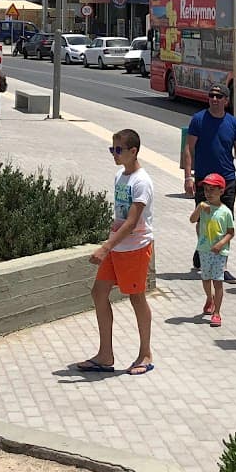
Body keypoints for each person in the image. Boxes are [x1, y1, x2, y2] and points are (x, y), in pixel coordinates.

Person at [77, 128, 155, 376]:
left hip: (135, 247)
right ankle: (105, 354)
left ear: (133, 151)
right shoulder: (120, 175)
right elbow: (121, 218)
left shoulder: (142, 182)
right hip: (117, 245)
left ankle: (145, 354)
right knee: (99, 293)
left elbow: (132, 222)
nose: (114, 154)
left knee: (136, 297)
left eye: (118, 150)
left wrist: (105, 247)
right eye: (112, 149)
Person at [182, 85, 236, 283]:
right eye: (211, 96)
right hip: (204, 181)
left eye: (219, 96)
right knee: (203, 220)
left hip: (226, 181)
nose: (214, 99)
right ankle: (202, 248)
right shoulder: (198, 119)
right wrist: (188, 177)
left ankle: (222, 267)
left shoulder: (233, 123)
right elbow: (189, 148)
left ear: (226, 100)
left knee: (224, 223)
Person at [190, 173, 235, 327]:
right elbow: (192, 220)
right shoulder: (203, 208)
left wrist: (221, 244)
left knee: (218, 281)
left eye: (212, 190)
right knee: (205, 278)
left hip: (219, 252)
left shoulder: (225, 212)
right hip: (204, 250)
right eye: (206, 190)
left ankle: (217, 312)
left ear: (221, 191)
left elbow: (231, 232)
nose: (208, 193)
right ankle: (210, 298)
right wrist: (199, 207)